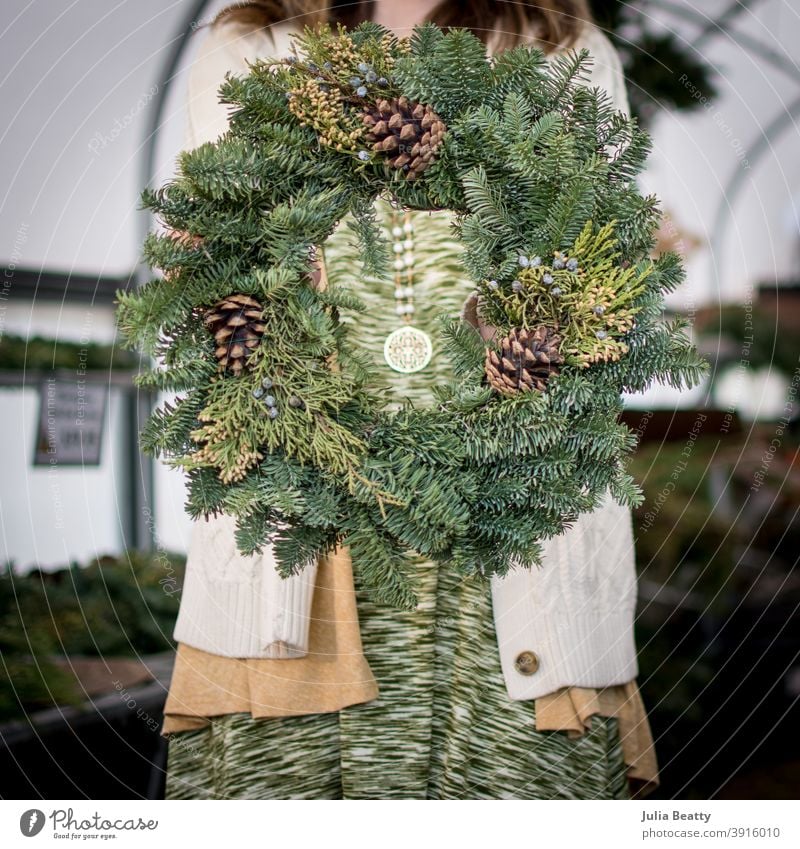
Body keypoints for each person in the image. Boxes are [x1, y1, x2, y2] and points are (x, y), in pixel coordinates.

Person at [159, 0, 661, 800]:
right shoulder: (251, 46)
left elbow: (601, 264)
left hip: (514, 515)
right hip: (305, 519)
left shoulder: (562, 49)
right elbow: (206, 271)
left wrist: (537, 326)